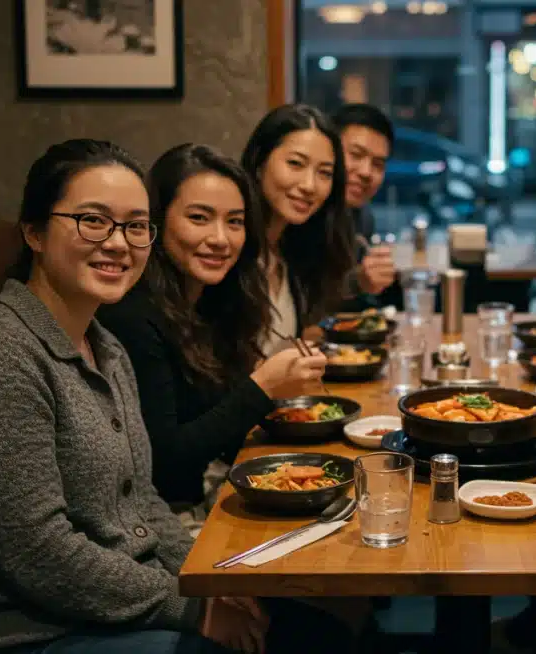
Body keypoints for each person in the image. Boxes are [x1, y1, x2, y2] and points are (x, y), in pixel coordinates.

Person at [0, 139, 267, 653]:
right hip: (30, 633)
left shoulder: (104, 346)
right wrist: (193, 608)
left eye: (134, 226)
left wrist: (205, 582)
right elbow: (38, 554)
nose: (119, 243)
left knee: (302, 627)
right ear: (33, 231)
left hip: (111, 608)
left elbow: (142, 499)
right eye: (93, 221)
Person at [96, 144, 327, 535]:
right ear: (156, 221)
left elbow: (217, 424)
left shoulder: (213, 302)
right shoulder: (132, 317)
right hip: (163, 523)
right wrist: (263, 386)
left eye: (234, 222)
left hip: (209, 497)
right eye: (199, 218)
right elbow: (164, 461)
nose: (221, 238)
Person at [240, 104, 357, 355]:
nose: (309, 185)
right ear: (260, 162)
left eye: (324, 173)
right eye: (295, 164)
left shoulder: (291, 252)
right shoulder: (230, 250)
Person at [331, 103, 400, 311]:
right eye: (356, 155)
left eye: (378, 164)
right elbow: (300, 299)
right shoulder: (302, 212)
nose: (366, 172)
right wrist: (358, 281)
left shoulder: (363, 216)